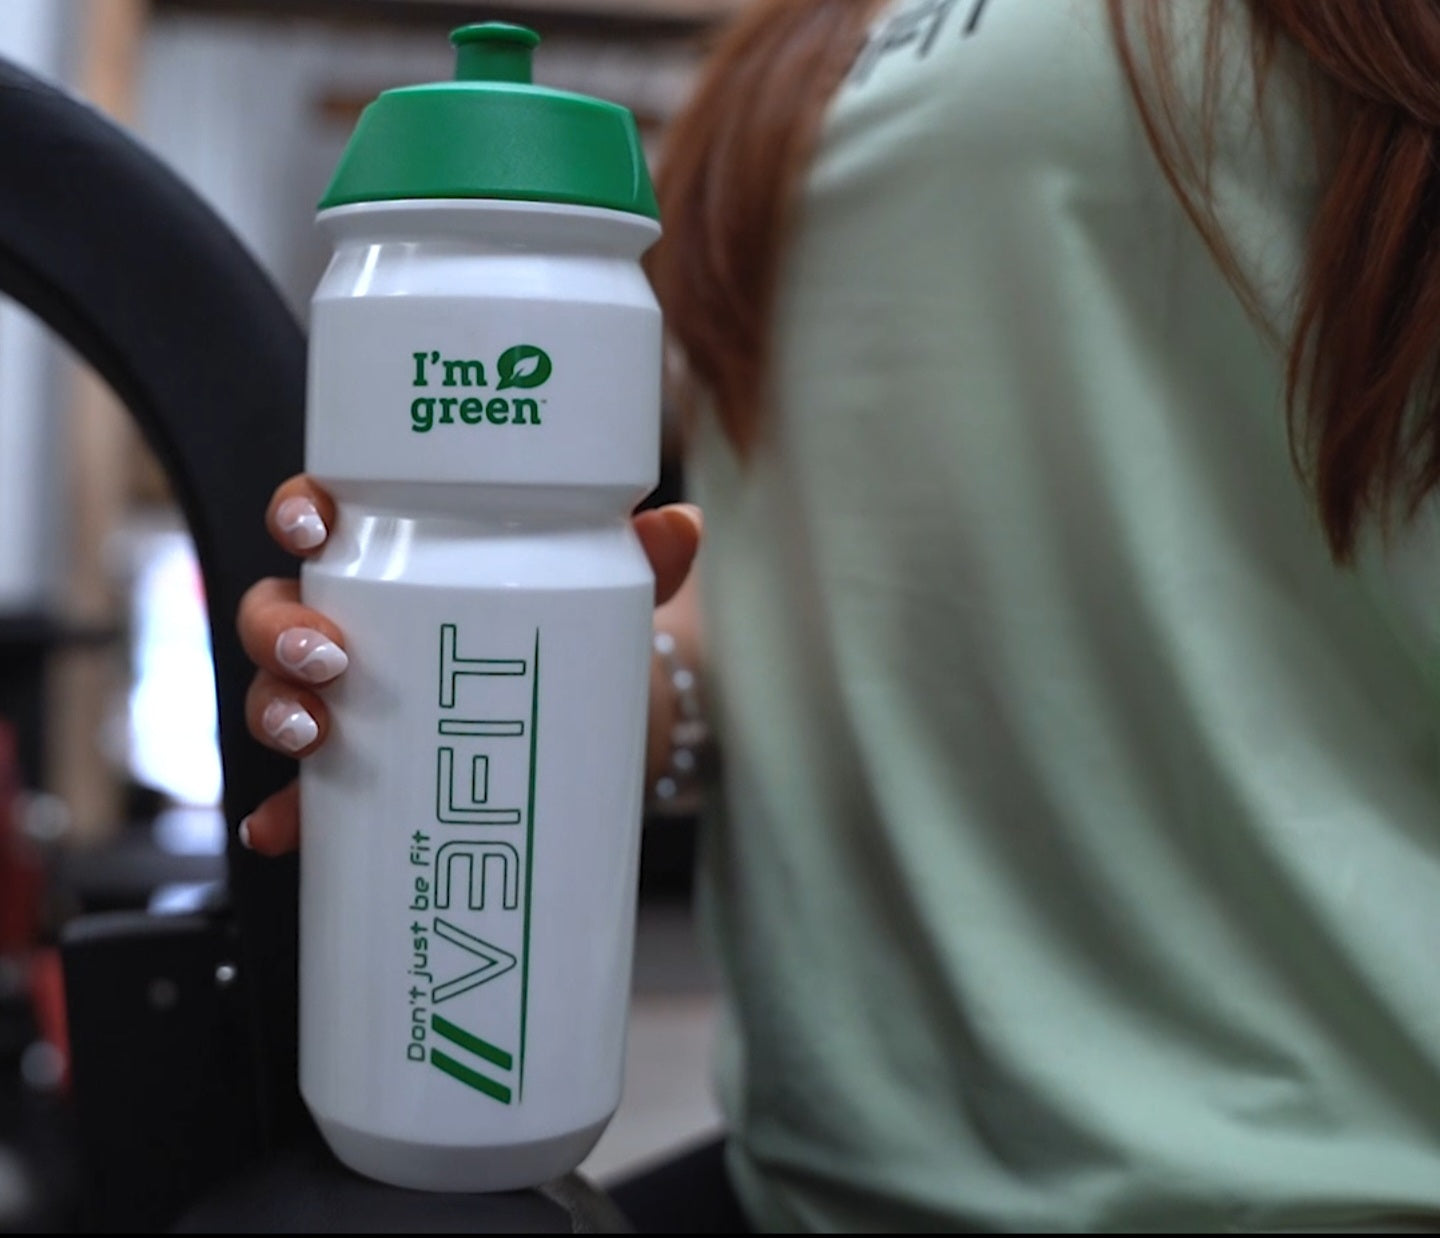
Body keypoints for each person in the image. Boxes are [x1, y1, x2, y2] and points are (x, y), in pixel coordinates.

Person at [237, 0, 1440, 1229]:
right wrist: (591, 685)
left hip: (1316, 1170)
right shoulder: (792, 32)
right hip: (827, 1171)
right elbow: (821, 575)